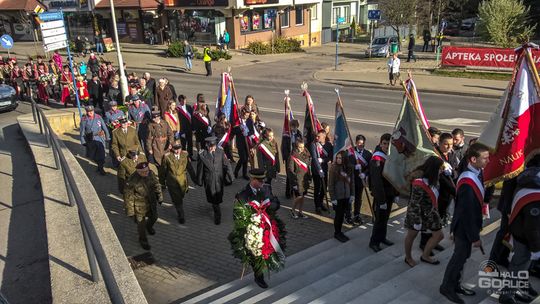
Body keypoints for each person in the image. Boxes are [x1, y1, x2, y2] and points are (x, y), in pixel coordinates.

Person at [440, 143, 491, 304]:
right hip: (464, 227)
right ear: (473, 159)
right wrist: (474, 236)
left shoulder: (478, 171)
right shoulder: (468, 182)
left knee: (463, 256)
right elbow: (467, 213)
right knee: (459, 257)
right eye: (485, 158)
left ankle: (456, 284)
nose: (488, 161)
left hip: (469, 224)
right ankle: (447, 286)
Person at [498, 156, 540, 304]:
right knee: (519, 264)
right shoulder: (536, 195)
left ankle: (516, 288)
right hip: (525, 236)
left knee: (521, 264)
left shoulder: (527, 182)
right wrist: (536, 249)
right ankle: (507, 295)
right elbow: (533, 226)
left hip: (520, 231)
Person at [404, 156, 445, 267]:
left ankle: (425, 256)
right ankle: (408, 258)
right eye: (440, 168)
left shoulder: (434, 178)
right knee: (411, 235)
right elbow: (414, 204)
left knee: (439, 235)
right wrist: (417, 221)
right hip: (417, 214)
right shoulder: (419, 183)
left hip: (430, 212)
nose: (442, 170)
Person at [420, 133, 457, 253]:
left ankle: (434, 241)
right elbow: (433, 176)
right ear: (440, 143)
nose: (448, 147)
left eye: (451, 144)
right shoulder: (435, 157)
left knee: (439, 220)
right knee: (430, 221)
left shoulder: (452, 154)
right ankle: (424, 243)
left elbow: (456, 170)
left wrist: (451, 173)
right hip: (435, 194)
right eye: (445, 144)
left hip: (446, 196)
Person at [369, 133, 399, 252]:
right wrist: (381, 201)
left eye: (388, 144)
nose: (386, 146)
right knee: (379, 219)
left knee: (386, 218)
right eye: (384, 143)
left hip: (390, 193)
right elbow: (377, 182)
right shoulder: (377, 159)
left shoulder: (390, 156)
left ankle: (382, 237)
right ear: (380, 144)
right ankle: (374, 242)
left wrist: (396, 194)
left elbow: (394, 177)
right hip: (381, 195)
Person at [123, 162, 163, 250]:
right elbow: (128, 198)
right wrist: (130, 212)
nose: (146, 173)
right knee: (141, 225)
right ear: (139, 172)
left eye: (147, 170)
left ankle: (149, 227)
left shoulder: (150, 173)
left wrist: (160, 196)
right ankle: (143, 240)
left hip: (151, 203)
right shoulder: (132, 181)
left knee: (154, 217)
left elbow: (156, 185)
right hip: (139, 207)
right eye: (144, 172)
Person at [196, 136, 234, 225]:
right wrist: (199, 181)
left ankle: (216, 206)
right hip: (209, 181)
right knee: (213, 198)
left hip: (219, 179)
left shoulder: (220, 152)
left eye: (213, 146)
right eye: (210, 146)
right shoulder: (202, 154)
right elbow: (200, 169)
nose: (212, 148)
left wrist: (231, 175)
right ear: (206, 145)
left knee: (219, 196)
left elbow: (226, 164)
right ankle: (218, 216)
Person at [161, 140, 196, 224]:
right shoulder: (167, 157)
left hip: (182, 181)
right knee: (178, 200)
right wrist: (162, 182)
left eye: (179, 148)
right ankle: (181, 215)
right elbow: (163, 170)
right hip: (172, 182)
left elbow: (189, 168)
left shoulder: (185, 155)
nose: (177, 151)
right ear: (172, 148)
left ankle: (176, 202)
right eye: (175, 149)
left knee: (181, 196)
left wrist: (195, 179)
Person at [329, 151, 354, 243]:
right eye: (337, 158)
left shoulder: (349, 168)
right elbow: (330, 184)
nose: (338, 160)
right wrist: (333, 198)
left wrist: (352, 194)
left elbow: (352, 182)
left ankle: (340, 232)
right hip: (338, 197)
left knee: (343, 214)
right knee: (338, 216)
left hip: (346, 196)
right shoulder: (333, 168)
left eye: (340, 158)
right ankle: (337, 232)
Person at [347, 134, 372, 225]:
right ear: (356, 143)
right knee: (350, 198)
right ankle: (348, 215)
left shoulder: (368, 154)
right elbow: (347, 164)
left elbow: (370, 167)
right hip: (351, 179)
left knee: (358, 198)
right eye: (359, 144)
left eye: (363, 144)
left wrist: (365, 174)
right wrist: (354, 167)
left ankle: (357, 215)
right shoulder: (350, 152)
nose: (361, 146)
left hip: (360, 180)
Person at [80, 105, 110, 175]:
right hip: (90, 139)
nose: (90, 113)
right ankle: (99, 166)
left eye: (92, 111)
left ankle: (101, 168)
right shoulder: (84, 119)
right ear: (86, 112)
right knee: (93, 155)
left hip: (99, 138)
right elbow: (82, 131)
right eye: (89, 111)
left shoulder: (98, 117)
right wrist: (83, 141)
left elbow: (104, 127)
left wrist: (107, 136)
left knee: (101, 154)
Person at [146, 111, 174, 183]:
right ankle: (162, 182)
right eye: (154, 117)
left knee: (168, 164)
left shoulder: (165, 123)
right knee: (160, 165)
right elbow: (148, 138)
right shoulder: (150, 125)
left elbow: (170, 134)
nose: (155, 119)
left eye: (156, 117)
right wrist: (149, 148)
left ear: (159, 117)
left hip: (166, 146)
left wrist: (171, 143)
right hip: (156, 147)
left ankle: (169, 179)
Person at [309, 130, 332, 214]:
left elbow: (330, 157)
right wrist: (319, 170)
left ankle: (321, 202)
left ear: (324, 136)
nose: (317, 138)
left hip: (325, 168)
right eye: (316, 136)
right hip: (316, 170)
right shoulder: (313, 144)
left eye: (319, 136)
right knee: (317, 188)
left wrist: (323, 160)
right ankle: (317, 206)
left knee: (324, 188)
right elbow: (314, 159)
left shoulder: (329, 145)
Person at [288, 139, 311, 219]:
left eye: (303, 147)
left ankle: (300, 211)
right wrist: (294, 183)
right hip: (297, 180)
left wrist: (309, 177)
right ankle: (293, 210)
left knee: (303, 196)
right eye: (300, 147)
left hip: (304, 180)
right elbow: (290, 171)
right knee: (298, 196)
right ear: (296, 147)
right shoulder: (293, 156)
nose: (302, 149)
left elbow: (308, 167)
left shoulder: (306, 155)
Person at [281, 119, 302, 198]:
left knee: (295, 174)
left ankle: (294, 190)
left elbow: (301, 145)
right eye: (292, 127)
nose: (293, 128)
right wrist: (287, 157)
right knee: (289, 175)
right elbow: (284, 147)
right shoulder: (286, 135)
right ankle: (288, 192)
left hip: (296, 157)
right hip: (289, 157)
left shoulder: (299, 134)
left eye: (295, 127)